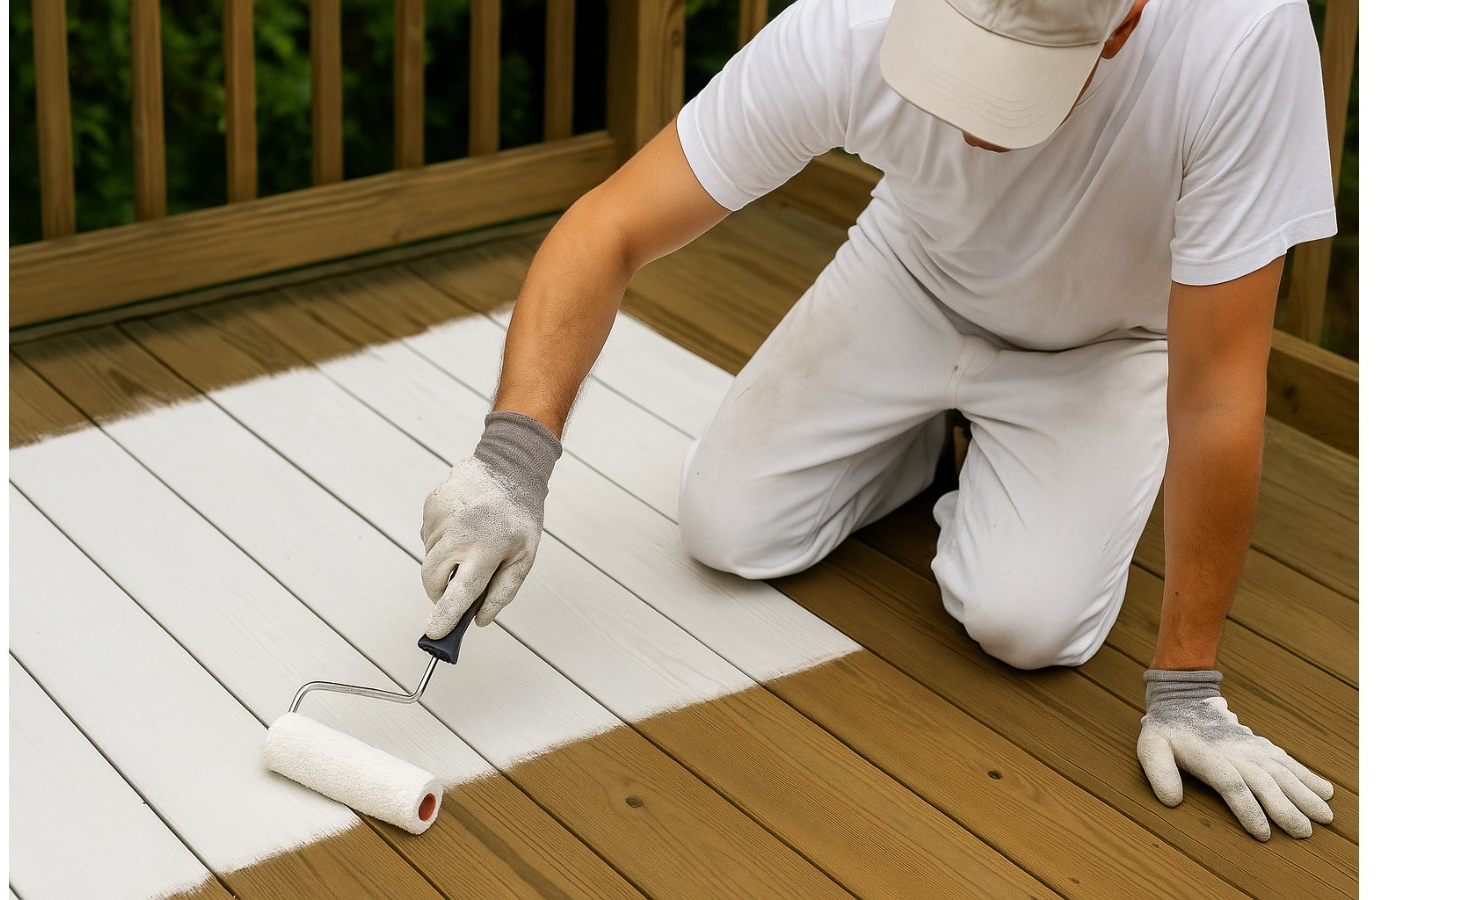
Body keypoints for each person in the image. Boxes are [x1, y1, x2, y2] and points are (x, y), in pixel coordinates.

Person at [417, 0, 1339, 841]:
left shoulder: (1242, 37)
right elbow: (610, 226)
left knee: (1026, 624)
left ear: (1126, 23)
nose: (972, 119)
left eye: (1011, 84)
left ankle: (971, 451)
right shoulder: (852, 21)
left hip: (1116, 340)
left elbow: (1217, 385)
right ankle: (921, 447)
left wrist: (1187, 686)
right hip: (920, 269)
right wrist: (512, 464)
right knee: (727, 526)